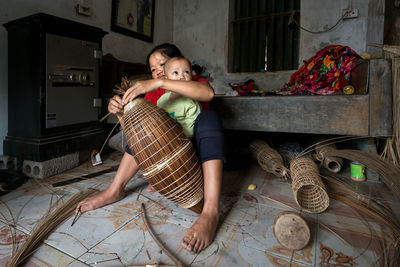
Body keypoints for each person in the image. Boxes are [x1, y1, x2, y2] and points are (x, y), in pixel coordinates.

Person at [76, 43, 225, 254]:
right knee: (144, 129)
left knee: (209, 118)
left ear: (178, 63)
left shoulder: (188, 79)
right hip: (172, 160)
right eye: (153, 70)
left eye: (162, 65)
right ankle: (115, 190)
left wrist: (159, 82)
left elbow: (208, 94)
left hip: (198, 158)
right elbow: (135, 138)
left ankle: (211, 211)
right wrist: (119, 113)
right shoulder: (154, 95)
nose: (158, 73)